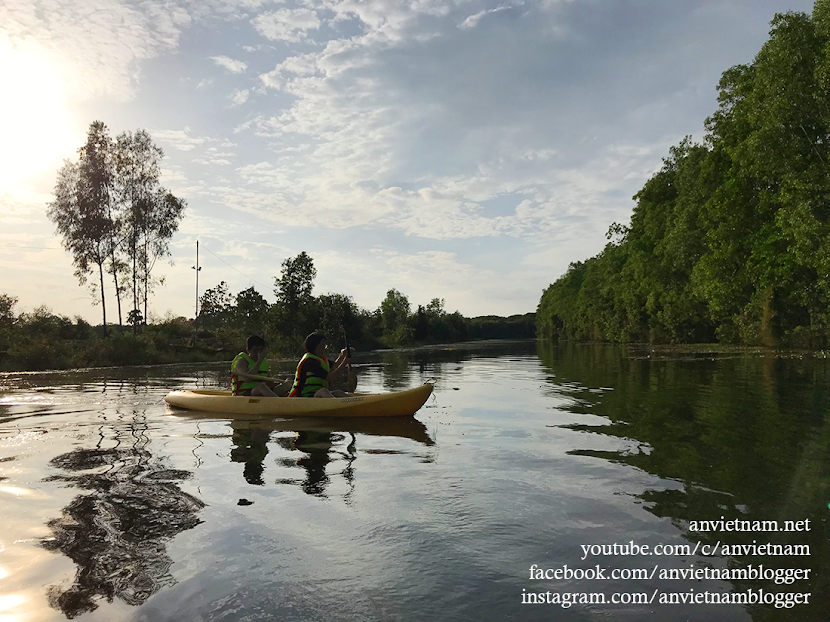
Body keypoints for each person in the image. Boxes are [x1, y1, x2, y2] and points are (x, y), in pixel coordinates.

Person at [289, 332, 354, 398]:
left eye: (324, 345)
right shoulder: (309, 362)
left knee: (337, 392)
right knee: (323, 391)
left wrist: (342, 355)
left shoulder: (320, 360)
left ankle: (354, 401)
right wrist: (344, 363)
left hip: (314, 395)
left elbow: (335, 365)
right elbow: (329, 377)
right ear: (314, 346)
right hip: (303, 397)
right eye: (322, 345)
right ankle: (336, 405)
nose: (324, 348)